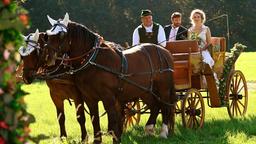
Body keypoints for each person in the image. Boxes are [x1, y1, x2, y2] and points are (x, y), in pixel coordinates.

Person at [188, 9, 218, 84]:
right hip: (194, 51)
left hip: (204, 50)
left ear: (201, 18)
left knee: (207, 61)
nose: (196, 18)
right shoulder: (190, 30)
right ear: (192, 19)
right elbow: (190, 42)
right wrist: (195, 49)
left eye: (198, 17)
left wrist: (202, 49)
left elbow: (209, 42)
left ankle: (210, 79)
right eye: (194, 17)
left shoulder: (206, 29)